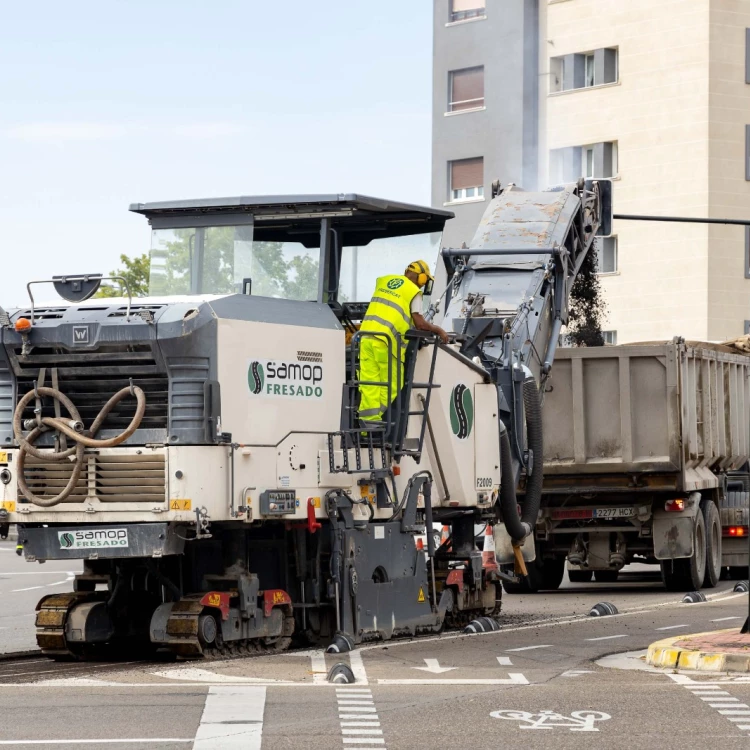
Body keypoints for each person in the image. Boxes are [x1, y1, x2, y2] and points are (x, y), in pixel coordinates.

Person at [358, 260, 449, 424]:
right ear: (421, 278)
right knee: (392, 384)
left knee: (369, 383)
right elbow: (420, 324)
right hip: (386, 343)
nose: (423, 285)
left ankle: (367, 427)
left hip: (365, 338)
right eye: (425, 281)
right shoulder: (413, 291)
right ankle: (374, 421)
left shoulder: (384, 281)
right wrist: (438, 330)